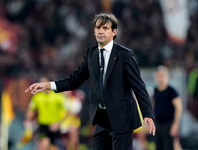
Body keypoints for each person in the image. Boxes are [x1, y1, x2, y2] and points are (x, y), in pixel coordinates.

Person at [25, 13, 155, 150]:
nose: (100, 31)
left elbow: (139, 86)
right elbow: (74, 80)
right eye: (97, 28)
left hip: (122, 118)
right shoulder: (91, 53)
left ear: (114, 32)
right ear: (94, 31)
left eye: (105, 28)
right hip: (101, 119)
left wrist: (148, 113)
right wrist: (49, 85)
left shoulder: (125, 55)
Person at [24, 77, 70, 150]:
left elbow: (68, 111)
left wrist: (58, 123)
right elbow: (31, 109)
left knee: (54, 148)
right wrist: (28, 119)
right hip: (43, 125)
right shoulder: (37, 97)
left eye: (43, 83)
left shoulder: (58, 96)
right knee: (43, 145)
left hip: (55, 126)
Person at [152, 66, 183, 150]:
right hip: (158, 123)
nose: (160, 78)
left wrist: (175, 124)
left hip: (168, 123)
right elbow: (153, 106)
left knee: (168, 146)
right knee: (158, 146)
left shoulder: (172, 91)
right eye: (159, 75)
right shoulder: (155, 91)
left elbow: (179, 108)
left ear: (167, 77)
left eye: (162, 75)